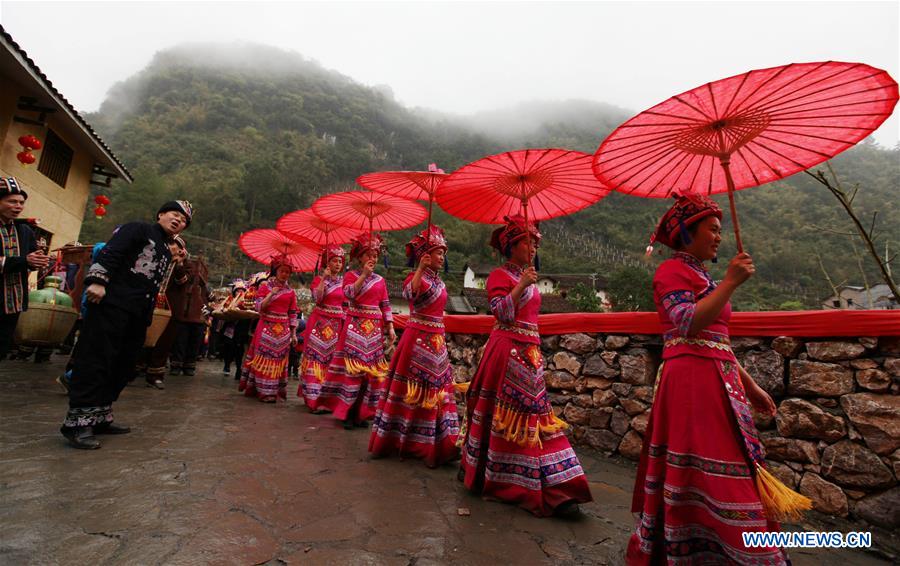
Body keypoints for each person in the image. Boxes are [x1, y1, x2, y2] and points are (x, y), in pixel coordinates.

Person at [626, 194, 809, 564]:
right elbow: (687, 323)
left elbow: (717, 340)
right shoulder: (670, 273)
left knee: (732, 465)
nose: (719, 237)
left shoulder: (701, 276)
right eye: (712, 229)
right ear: (685, 233)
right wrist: (730, 283)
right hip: (691, 383)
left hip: (719, 379)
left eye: (720, 230)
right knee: (715, 468)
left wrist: (751, 385)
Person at [459, 215, 592, 517]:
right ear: (511, 246)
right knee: (510, 417)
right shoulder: (498, 276)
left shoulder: (528, 276)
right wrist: (520, 285)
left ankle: (558, 485)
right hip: (506, 352)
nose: (533, 247)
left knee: (535, 418)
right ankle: (515, 482)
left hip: (530, 356)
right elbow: (501, 313)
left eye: (535, 242)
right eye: (527, 242)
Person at [60, 200, 193, 449]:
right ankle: (78, 424)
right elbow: (113, 251)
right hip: (112, 304)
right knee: (96, 360)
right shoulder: (138, 229)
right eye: (175, 214)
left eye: (184, 220)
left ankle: (100, 416)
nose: (178, 220)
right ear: (161, 214)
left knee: (122, 364)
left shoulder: (166, 249)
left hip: (137, 313)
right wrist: (98, 281)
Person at [369, 225, 460, 467]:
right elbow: (410, 294)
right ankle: (413, 443)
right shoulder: (414, 277)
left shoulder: (439, 282)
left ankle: (442, 443)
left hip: (437, 342)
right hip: (418, 340)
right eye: (438, 253)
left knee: (437, 393)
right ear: (425, 256)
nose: (442, 257)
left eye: (443, 253)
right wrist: (420, 267)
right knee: (414, 392)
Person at [318, 233, 395, 429]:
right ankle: (347, 413)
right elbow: (349, 294)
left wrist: (390, 326)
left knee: (370, 375)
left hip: (374, 331)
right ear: (360, 257)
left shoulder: (380, 280)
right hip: (355, 326)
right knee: (353, 372)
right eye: (369, 255)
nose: (373, 259)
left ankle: (362, 413)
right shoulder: (351, 276)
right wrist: (363, 276)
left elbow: (385, 304)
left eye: (376, 255)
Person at [238, 256, 299, 402]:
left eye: (287, 272)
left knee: (278, 361)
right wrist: (272, 294)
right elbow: (259, 307)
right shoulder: (265, 287)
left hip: (283, 331)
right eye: (282, 271)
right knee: (264, 359)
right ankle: (263, 391)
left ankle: (273, 391)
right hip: (266, 327)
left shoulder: (291, 292)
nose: (285, 274)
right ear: (275, 271)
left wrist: (294, 334)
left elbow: (293, 313)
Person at [0, 177, 49, 360]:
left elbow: (30, 259)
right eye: (12, 201)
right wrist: (24, 261)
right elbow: (23, 260)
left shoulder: (25, 231)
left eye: (21, 202)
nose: (18, 206)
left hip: (13, 302)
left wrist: (39, 260)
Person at [297, 245, 346, 413]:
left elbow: (346, 304)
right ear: (327, 263)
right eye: (334, 260)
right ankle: (313, 399)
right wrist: (324, 279)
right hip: (319, 325)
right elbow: (318, 299)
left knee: (331, 362)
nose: (338, 264)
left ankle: (328, 400)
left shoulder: (344, 282)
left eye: (340, 261)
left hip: (336, 327)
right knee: (316, 360)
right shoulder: (318, 280)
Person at [138, 236, 187, 389]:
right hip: (149, 303)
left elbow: (182, 282)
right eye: (172, 244)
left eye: (178, 247)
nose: (175, 249)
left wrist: (179, 264)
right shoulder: (156, 258)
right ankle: (134, 368)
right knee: (140, 337)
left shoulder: (184, 265)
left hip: (169, 308)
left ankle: (155, 375)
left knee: (164, 342)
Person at [168, 256, 210, 377]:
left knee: (194, 343)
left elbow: (208, 299)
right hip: (184, 315)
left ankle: (189, 366)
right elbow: (181, 279)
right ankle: (176, 365)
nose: (198, 272)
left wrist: (208, 309)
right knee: (180, 342)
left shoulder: (204, 288)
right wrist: (181, 265)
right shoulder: (185, 281)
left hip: (199, 317)